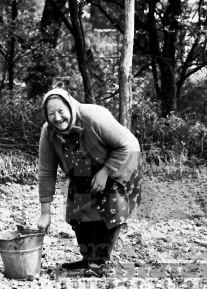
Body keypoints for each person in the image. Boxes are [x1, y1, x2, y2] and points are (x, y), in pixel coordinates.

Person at [36, 88, 142, 278]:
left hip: (116, 168)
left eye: (61, 111)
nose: (57, 118)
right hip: (83, 170)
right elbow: (46, 171)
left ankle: (98, 261)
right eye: (51, 113)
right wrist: (45, 213)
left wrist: (106, 172)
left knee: (108, 205)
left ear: (70, 106)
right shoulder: (48, 132)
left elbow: (130, 144)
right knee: (78, 210)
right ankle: (88, 257)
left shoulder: (94, 117)